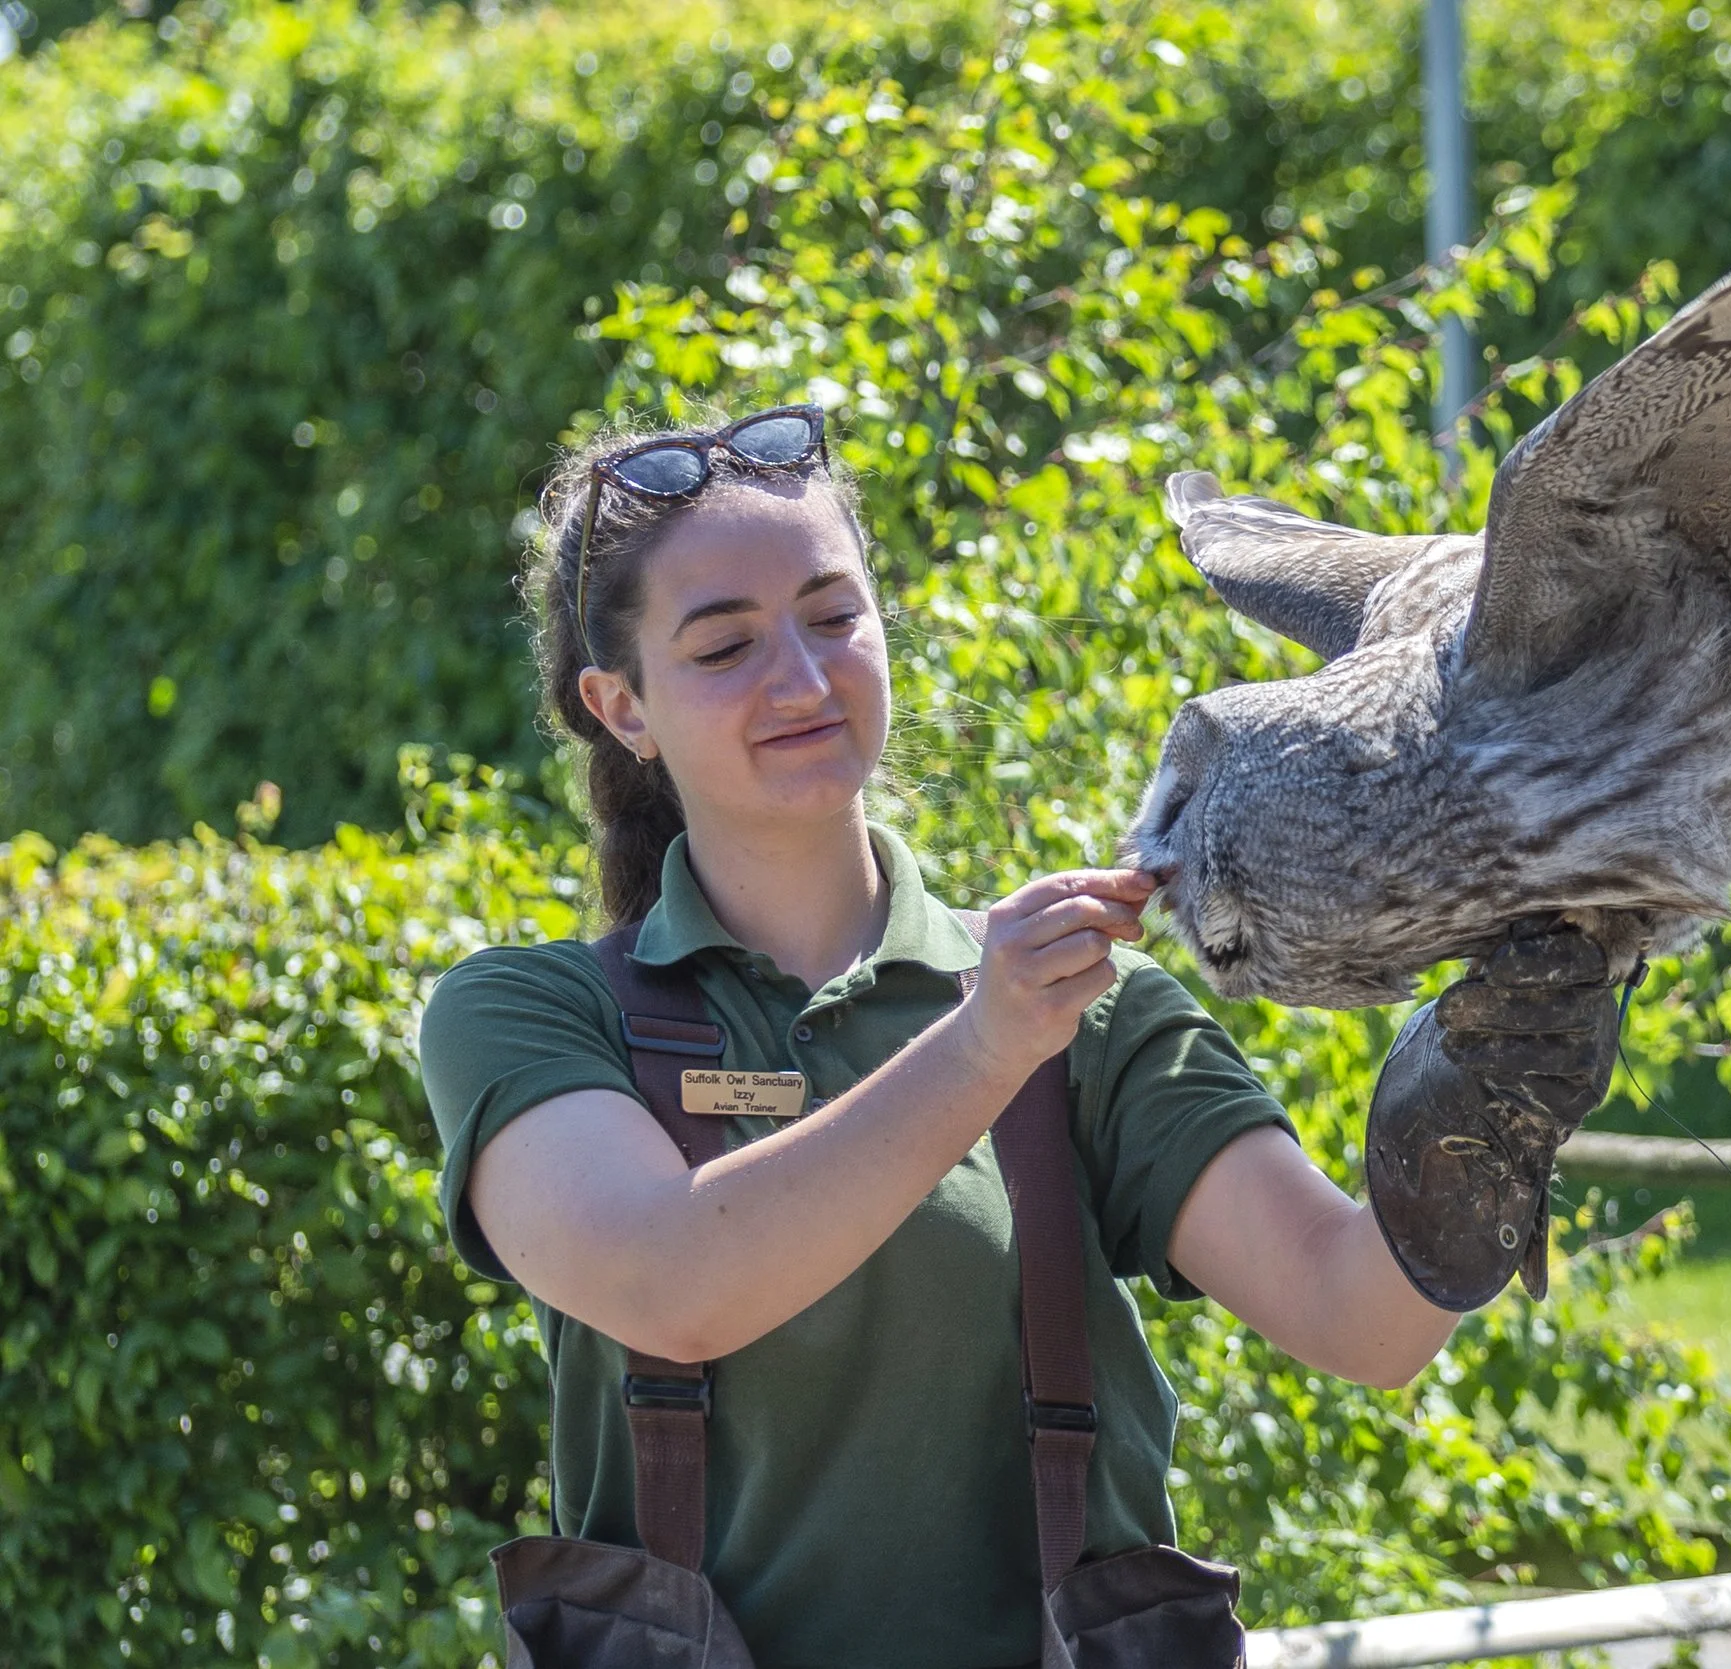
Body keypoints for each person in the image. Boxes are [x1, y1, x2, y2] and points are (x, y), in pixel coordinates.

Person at [417, 405, 1619, 1669]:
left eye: (835, 617)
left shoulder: (1086, 1012)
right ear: (622, 708)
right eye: (722, 647)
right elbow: (671, 1285)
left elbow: (1363, 1322)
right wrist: (985, 1044)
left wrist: (1479, 1089)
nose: (804, 679)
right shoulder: (528, 1016)